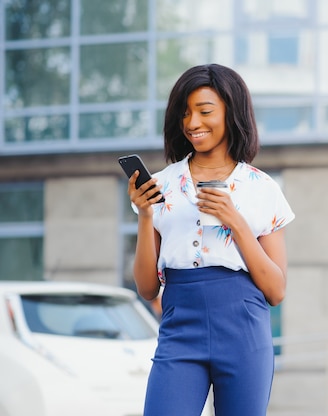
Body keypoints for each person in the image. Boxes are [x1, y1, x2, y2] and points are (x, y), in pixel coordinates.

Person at [126, 63, 295, 416]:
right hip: (179, 325)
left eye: (204, 111)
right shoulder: (162, 185)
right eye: (185, 113)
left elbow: (276, 291)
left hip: (243, 328)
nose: (192, 123)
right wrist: (144, 215)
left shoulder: (261, 188)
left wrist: (235, 221)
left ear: (231, 112)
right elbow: (145, 288)